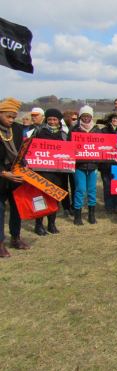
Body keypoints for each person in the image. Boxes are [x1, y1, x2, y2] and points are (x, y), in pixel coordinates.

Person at [0, 98, 31, 257]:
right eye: (8, 116)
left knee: (16, 207)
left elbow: (22, 150)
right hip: (2, 175)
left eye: (13, 116)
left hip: (16, 175)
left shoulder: (18, 129)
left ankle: (15, 237)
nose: (11, 120)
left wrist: (24, 164)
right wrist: (4, 173)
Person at [32, 109, 69, 235]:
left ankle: (52, 224)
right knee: (41, 198)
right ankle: (38, 225)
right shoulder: (38, 131)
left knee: (55, 197)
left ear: (59, 121)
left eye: (55, 119)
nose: (52, 122)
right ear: (46, 120)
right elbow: (30, 147)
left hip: (58, 172)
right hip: (42, 171)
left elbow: (68, 151)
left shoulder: (63, 134)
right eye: (49, 120)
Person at [70, 105, 100, 225]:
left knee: (92, 190)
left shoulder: (97, 130)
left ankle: (91, 214)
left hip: (93, 165)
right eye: (84, 116)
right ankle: (77, 215)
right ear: (80, 117)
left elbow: (103, 146)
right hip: (79, 166)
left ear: (91, 117)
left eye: (88, 116)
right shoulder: (75, 130)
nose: (86, 118)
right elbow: (68, 146)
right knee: (80, 190)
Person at [100, 111, 117, 214]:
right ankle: (108, 206)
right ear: (110, 120)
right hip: (106, 164)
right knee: (107, 186)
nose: (115, 120)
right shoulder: (103, 131)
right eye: (113, 118)